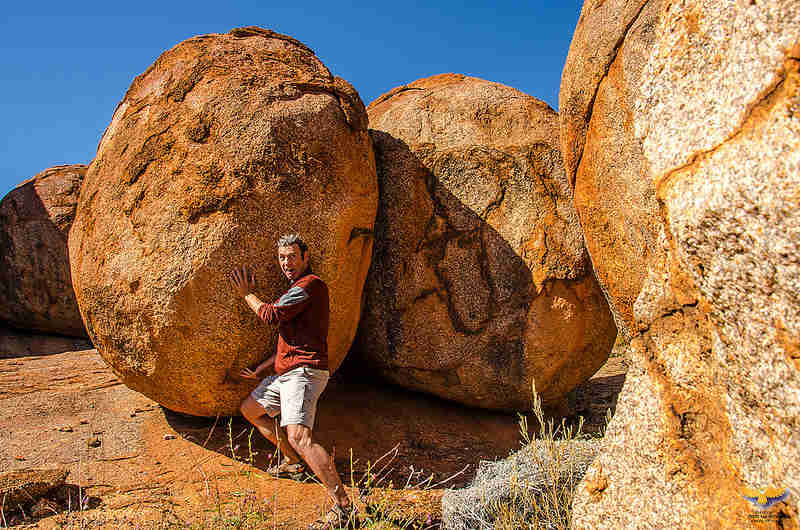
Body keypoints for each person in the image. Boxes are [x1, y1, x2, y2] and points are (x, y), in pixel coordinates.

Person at [229, 234, 356, 529]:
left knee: (300, 435)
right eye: (282, 257)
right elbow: (290, 343)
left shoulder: (310, 286)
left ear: (305, 257)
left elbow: (270, 315)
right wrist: (261, 369)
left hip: (305, 373)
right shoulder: (296, 291)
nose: (286, 262)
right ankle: (293, 461)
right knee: (249, 409)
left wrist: (247, 292)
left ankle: (343, 508)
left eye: (292, 256)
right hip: (286, 372)